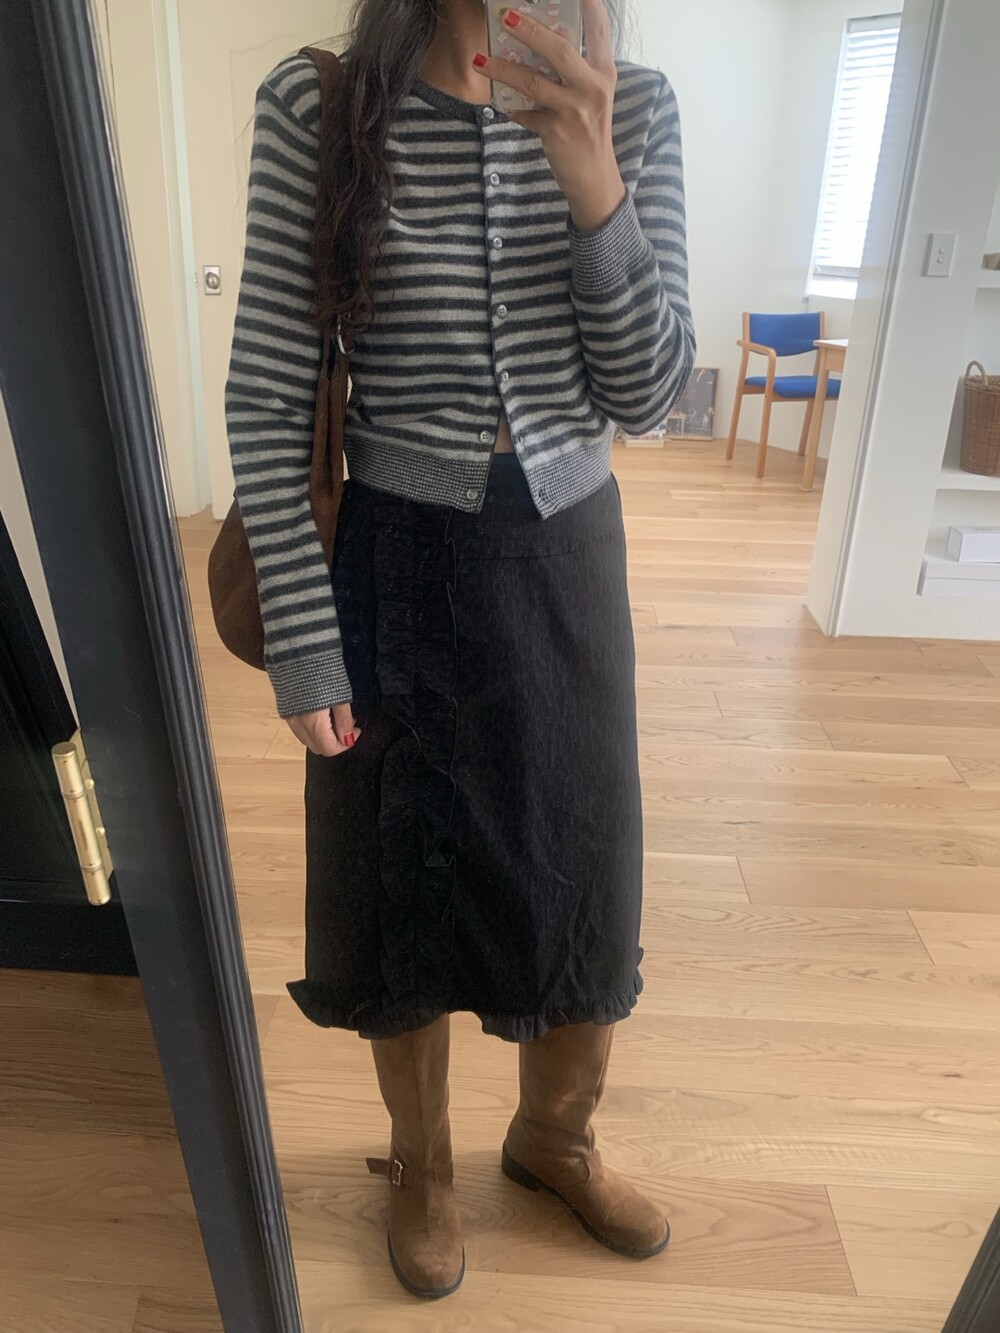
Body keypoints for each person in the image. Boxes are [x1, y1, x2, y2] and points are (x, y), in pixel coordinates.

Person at [225, 0, 695, 1300]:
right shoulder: (322, 109)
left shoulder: (637, 109)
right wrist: (305, 639)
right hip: (390, 558)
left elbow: (652, 395)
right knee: (399, 873)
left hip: (568, 555)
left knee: (582, 859)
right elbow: (267, 395)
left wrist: (593, 178)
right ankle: (422, 1165)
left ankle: (556, 1139)